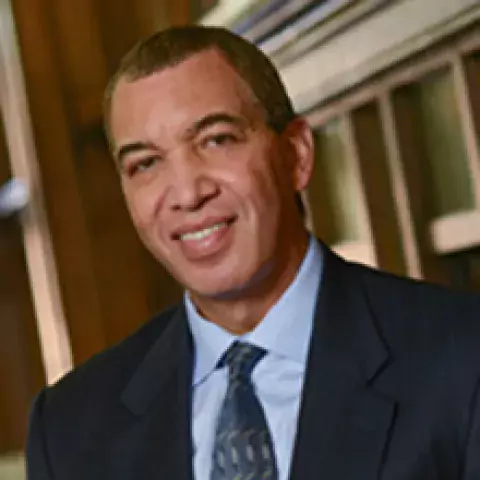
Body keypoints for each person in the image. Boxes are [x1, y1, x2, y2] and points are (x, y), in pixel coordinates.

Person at [26, 25, 480, 480]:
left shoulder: (461, 358)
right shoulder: (69, 430)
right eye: (145, 163)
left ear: (296, 154)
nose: (187, 193)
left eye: (216, 140)